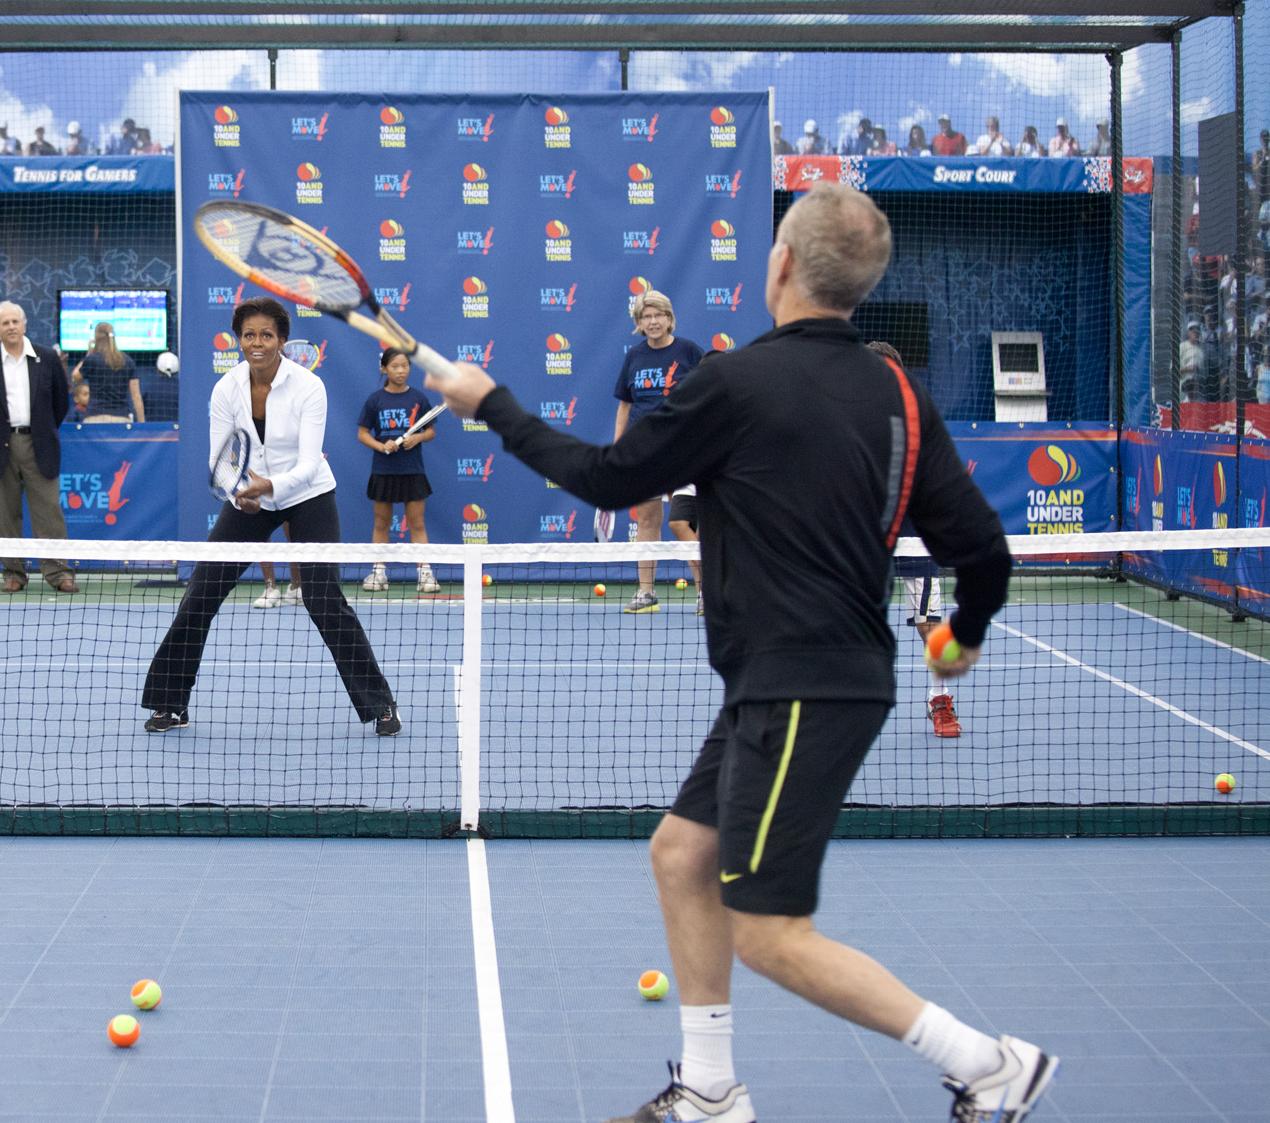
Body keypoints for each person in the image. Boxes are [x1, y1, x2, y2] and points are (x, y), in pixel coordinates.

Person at [423, 182, 1042, 1123]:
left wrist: (491, 404)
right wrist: (961, 636)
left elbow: (605, 475)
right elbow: (983, 552)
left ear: (782, 266)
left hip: (803, 688)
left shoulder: (734, 380)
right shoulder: (898, 391)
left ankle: (986, 1063)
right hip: (793, 682)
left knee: (771, 934)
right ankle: (710, 1087)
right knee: (681, 855)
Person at [140, 297, 399, 735]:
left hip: (308, 494)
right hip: (251, 499)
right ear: (238, 338)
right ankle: (171, 705)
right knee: (200, 593)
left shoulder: (308, 387)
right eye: (248, 335)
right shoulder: (226, 388)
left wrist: (270, 487)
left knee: (323, 600)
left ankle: (381, 705)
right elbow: (220, 459)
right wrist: (240, 491)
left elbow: (310, 463)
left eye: (266, 335)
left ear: (281, 340)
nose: (256, 343)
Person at [865, 341, 962, 738]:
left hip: (914, 539)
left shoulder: (920, 419)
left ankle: (939, 701)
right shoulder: (848, 419)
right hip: (864, 541)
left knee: (931, 627)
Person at [0, 301, 77, 593]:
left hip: (40, 444)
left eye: (15, 321)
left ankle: (59, 573)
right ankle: (13, 573)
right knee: (5, 515)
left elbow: (60, 404)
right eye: (5, 323)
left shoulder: (48, 358)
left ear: (24, 325)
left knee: (49, 512)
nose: (11, 327)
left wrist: (39, 430)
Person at [613, 289, 704, 613]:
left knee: (682, 523)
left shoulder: (689, 351)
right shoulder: (634, 357)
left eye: (658, 315)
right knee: (647, 519)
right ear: (639, 323)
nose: (653, 322)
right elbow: (626, 405)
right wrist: (618, 446)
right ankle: (646, 593)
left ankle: (705, 592)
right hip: (642, 448)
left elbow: (709, 393)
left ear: (669, 319)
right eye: (646, 317)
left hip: (681, 448)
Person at [356, 347, 440, 594]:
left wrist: (418, 438)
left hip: (412, 469)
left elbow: (431, 431)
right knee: (381, 523)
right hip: (383, 470)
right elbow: (362, 434)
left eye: (405, 365)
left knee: (417, 523)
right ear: (384, 369)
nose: (401, 370)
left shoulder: (419, 398)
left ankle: (425, 574)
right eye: (395, 366)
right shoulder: (375, 400)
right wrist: (381, 446)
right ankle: (378, 573)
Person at [70, 321, 144, 422]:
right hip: (121, 418)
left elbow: (75, 377)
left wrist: (88, 354)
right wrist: (142, 423)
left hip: (94, 418)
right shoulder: (127, 361)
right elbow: (136, 396)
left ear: (96, 338)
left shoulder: (92, 359)